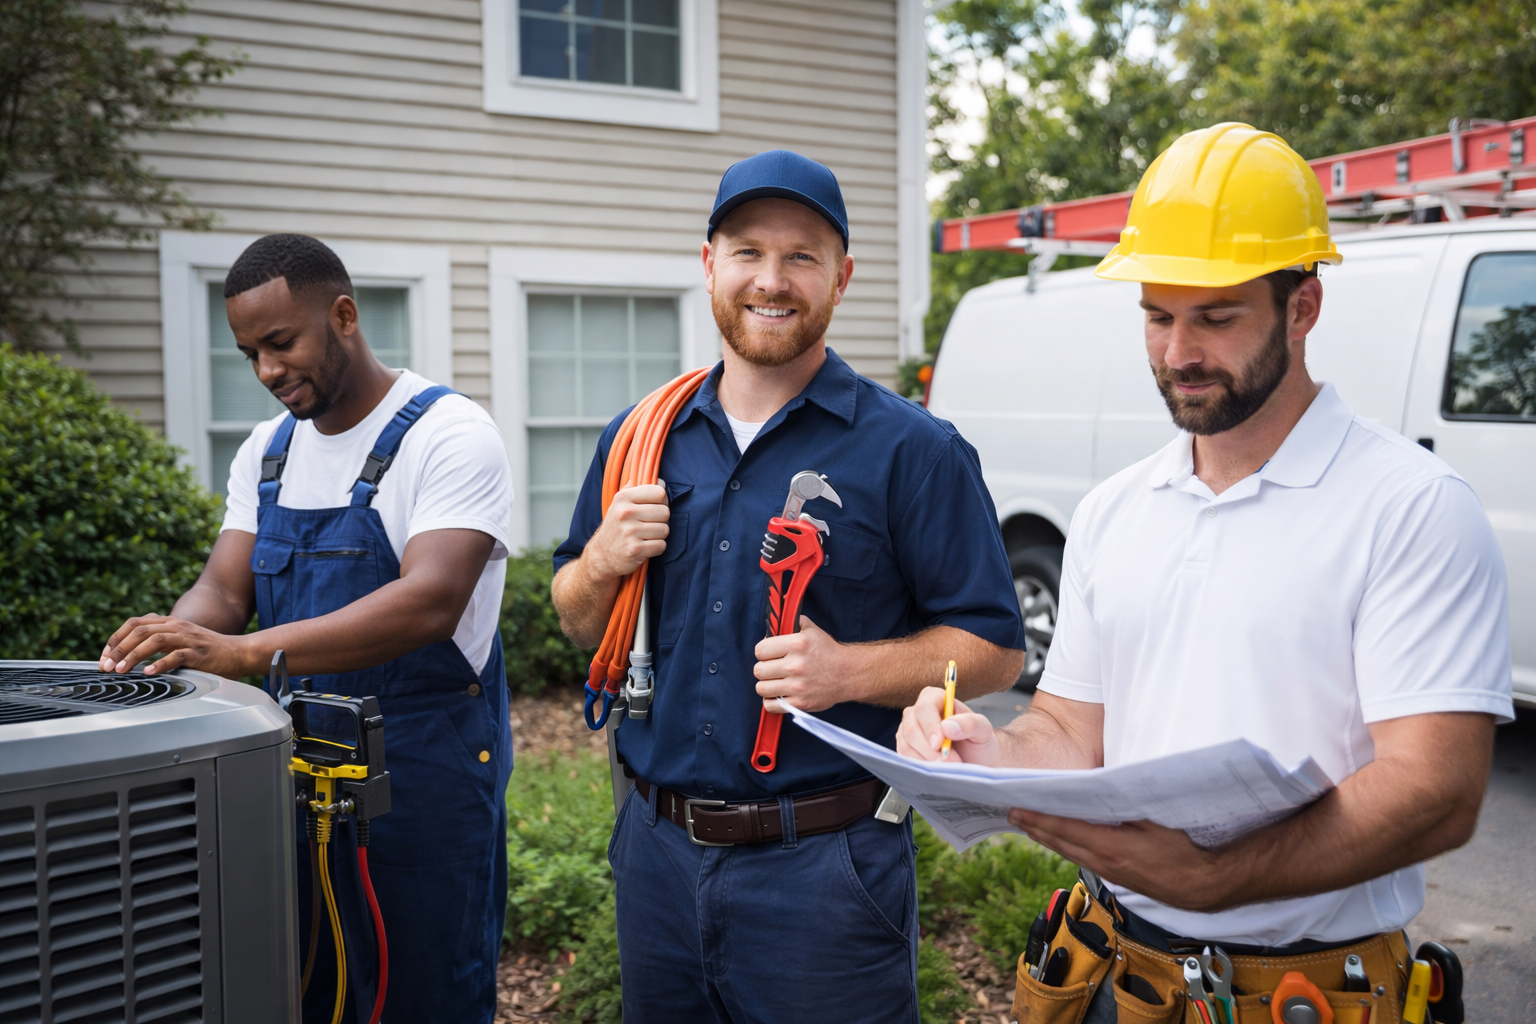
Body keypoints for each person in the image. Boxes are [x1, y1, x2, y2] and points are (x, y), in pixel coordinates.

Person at [898, 123, 1515, 1021]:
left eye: (1216, 317)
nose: (1179, 351)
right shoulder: (1116, 509)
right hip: (1115, 973)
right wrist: (990, 751)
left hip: (1308, 994)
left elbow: (1436, 794)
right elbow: (1072, 726)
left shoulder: (1411, 506)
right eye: (1158, 315)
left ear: (1303, 307)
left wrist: (1220, 879)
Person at [550, 150, 1027, 1022]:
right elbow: (580, 623)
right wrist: (600, 563)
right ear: (708, 265)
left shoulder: (912, 451)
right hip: (653, 855)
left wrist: (849, 673)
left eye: (802, 256)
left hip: (825, 870)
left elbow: (994, 649)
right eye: (747, 252)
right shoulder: (641, 439)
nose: (772, 280)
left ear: (841, 278)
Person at [99, 234, 514, 1024]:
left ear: (345, 315)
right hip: (290, 768)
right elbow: (224, 590)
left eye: (281, 343)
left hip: (422, 771)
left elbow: (433, 599)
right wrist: (168, 644)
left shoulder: (449, 434)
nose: (266, 371)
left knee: (423, 991)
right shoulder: (269, 452)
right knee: (308, 987)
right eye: (250, 352)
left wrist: (247, 652)